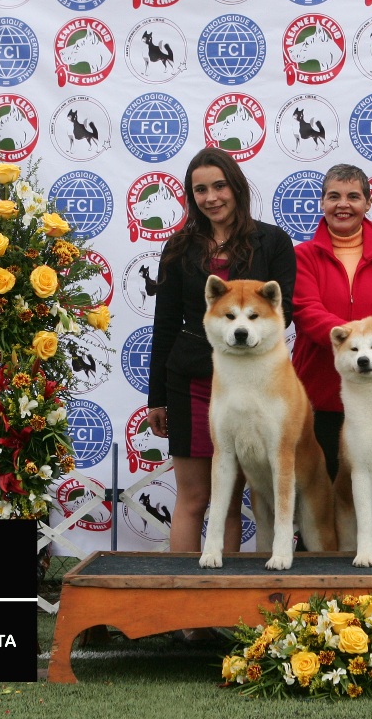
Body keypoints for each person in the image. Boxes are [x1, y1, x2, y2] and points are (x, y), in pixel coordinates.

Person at [147, 147, 295, 554]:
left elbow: (287, 310)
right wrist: (156, 397)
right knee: (194, 500)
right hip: (191, 382)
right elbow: (165, 324)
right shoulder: (179, 247)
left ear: (236, 187)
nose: (211, 197)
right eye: (199, 190)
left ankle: (223, 612)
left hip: (253, 385)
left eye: (219, 186)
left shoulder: (274, 242)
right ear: (191, 196)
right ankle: (182, 617)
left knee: (229, 500)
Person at [292, 164, 372, 482]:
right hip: (318, 398)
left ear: (367, 204)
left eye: (353, 196)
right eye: (333, 196)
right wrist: (360, 344)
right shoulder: (302, 256)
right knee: (318, 502)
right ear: (322, 203)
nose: (343, 204)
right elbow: (307, 311)